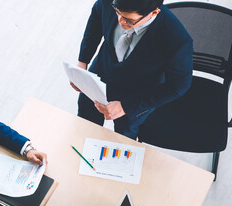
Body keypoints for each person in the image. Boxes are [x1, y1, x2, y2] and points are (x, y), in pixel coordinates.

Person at [71, 0, 193, 139]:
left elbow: (179, 86)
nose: (120, 21)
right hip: (102, 70)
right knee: (85, 123)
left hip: (137, 93)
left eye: (129, 20)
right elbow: (96, 20)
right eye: (117, 12)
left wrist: (126, 106)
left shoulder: (177, 40)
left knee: (123, 139)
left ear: (154, 12)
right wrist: (83, 62)